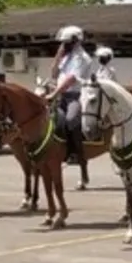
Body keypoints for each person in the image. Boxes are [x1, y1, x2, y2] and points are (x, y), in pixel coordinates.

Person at [45, 25, 92, 165]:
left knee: (71, 119)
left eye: (66, 42)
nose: (64, 45)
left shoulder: (82, 57)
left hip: (76, 95)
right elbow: (54, 73)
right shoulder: (67, 57)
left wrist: (54, 93)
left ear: (76, 41)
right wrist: (58, 56)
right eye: (63, 42)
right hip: (61, 95)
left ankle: (75, 153)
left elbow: (71, 79)